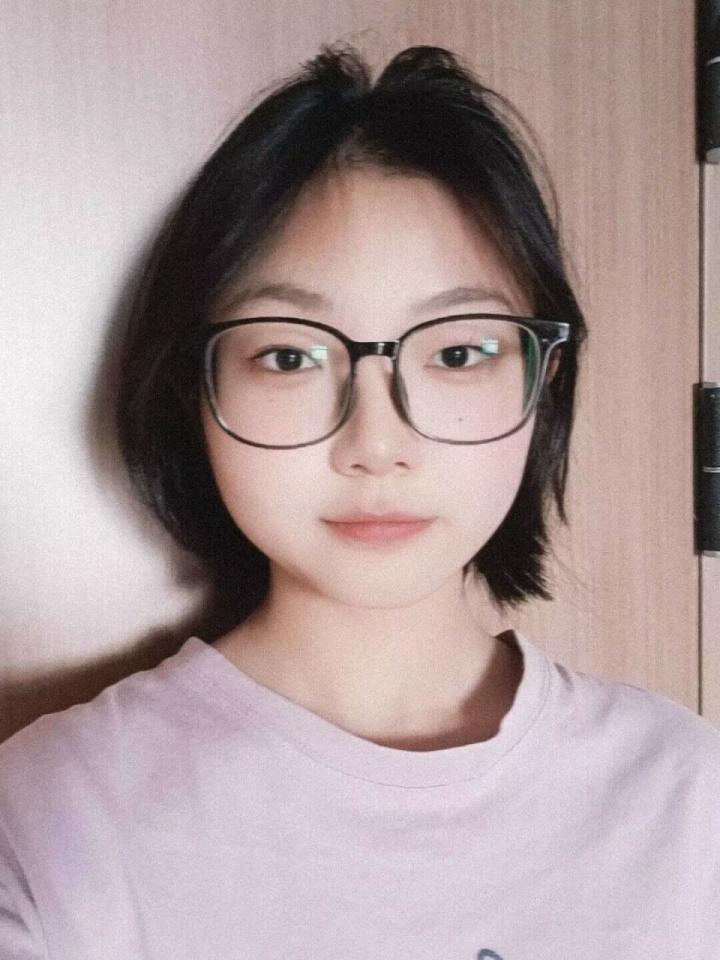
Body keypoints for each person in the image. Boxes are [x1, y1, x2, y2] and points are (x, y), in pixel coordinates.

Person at [0, 43, 718, 960]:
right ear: (195, 389)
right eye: (291, 355)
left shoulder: (686, 800)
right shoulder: (56, 820)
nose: (377, 444)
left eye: (457, 352)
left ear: (544, 381)